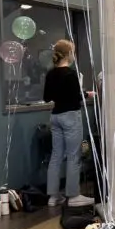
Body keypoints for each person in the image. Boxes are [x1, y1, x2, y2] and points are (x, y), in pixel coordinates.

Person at [43, 39, 94, 208]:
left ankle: (53, 196)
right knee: (73, 156)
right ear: (69, 54)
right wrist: (88, 94)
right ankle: (73, 196)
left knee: (56, 156)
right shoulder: (71, 74)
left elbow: (46, 98)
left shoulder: (50, 73)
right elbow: (76, 96)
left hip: (55, 116)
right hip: (70, 116)